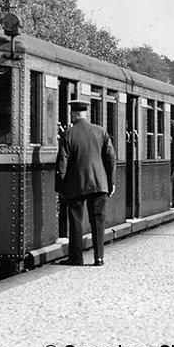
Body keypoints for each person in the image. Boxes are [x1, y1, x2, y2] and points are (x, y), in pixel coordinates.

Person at [55, 99, 117, 266]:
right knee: (98, 221)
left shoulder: (69, 133)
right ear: (85, 113)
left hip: (77, 185)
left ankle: (76, 257)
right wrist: (111, 182)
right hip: (100, 183)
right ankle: (99, 258)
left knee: (75, 220)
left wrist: (60, 187)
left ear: (73, 114)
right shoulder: (101, 131)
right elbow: (111, 158)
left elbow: (62, 162)